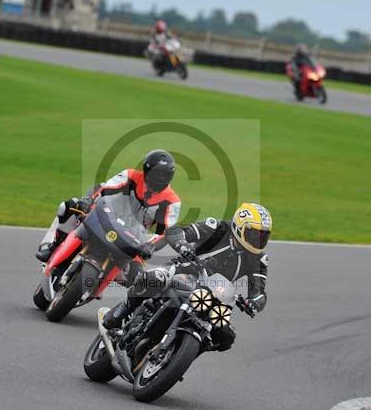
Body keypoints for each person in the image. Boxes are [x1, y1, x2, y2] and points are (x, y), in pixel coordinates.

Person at [103, 202, 272, 352]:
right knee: (155, 277)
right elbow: (176, 231)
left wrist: (254, 303)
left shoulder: (258, 259)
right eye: (254, 234)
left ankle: (182, 351)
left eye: (263, 236)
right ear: (239, 227)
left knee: (226, 337)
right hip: (186, 271)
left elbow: (258, 291)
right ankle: (120, 312)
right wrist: (183, 246)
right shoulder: (217, 228)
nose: (258, 240)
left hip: (214, 295)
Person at [36, 149, 181, 286]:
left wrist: (150, 246)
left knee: (138, 279)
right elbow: (104, 188)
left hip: (132, 239)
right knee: (69, 206)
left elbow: (166, 232)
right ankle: (53, 246)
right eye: (157, 173)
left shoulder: (171, 200)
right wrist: (88, 199)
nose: (160, 178)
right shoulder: (131, 175)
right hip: (105, 217)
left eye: (165, 175)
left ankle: (126, 311)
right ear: (146, 170)